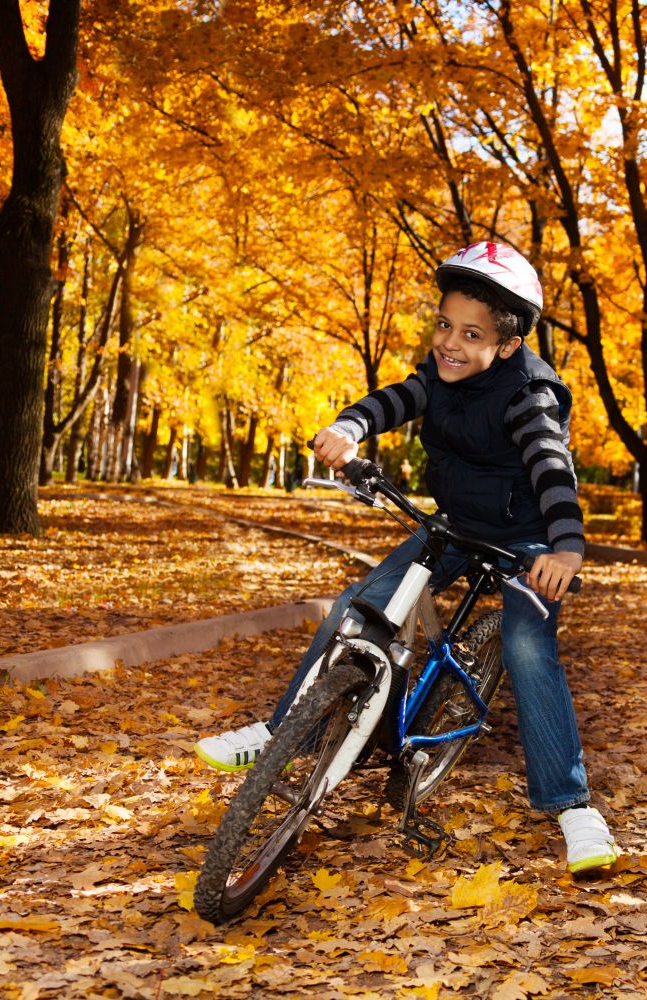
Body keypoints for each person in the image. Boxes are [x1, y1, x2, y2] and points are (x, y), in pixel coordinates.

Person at [196, 241, 617, 874]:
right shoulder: (440, 373)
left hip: (524, 538)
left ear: (505, 345)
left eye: (469, 334)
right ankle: (285, 733)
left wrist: (566, 547)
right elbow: (394, 399)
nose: (449, 341)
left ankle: (574, 808)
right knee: (356, 607)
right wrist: (350, 428)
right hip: (453, 523)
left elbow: (551, 468)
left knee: (529, 649)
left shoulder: (532, 395)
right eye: (444, 324)